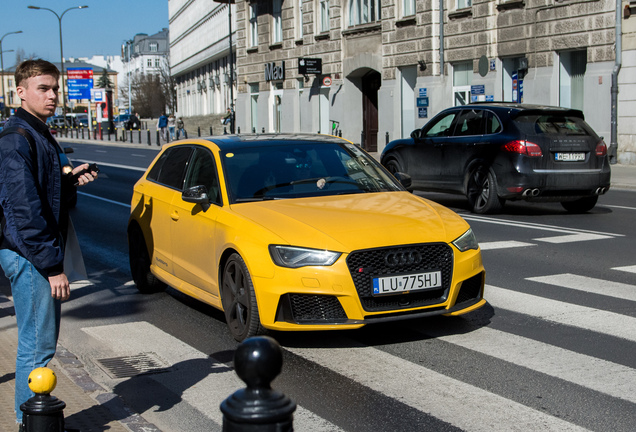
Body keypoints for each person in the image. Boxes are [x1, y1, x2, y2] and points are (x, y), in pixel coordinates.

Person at [0, 59, 98, 428]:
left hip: (32, 254)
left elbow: (45, 196)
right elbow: (23, 211)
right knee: (36, 347)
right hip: (29, 256)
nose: (53, 95)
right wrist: (51, 266)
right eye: (43, 88)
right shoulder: (17, 139)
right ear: (21, 92)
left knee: (39, 344)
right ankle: (31, 424)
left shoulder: (39, 133)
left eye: (55, 88)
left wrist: (71, 181)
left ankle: (33, 421)